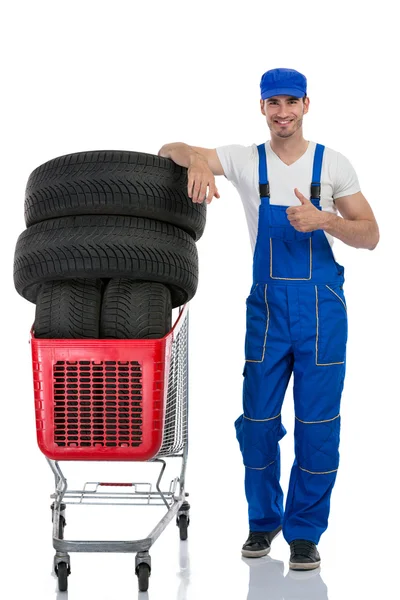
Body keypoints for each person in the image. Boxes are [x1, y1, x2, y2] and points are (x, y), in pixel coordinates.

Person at [158, 67, 379, 570]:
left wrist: (325, 220)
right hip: (267, 311)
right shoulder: (243, 160)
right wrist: (194, 160)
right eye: (273, 102)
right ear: (261, 107)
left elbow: (371, 234)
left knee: (317, 426)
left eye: (291, 102)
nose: (283, 112)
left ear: (306, 105)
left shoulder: (332, 164)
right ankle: (264, 521)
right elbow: (169, 146)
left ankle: (304, 532)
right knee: (256, 422)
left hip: (322, 312)